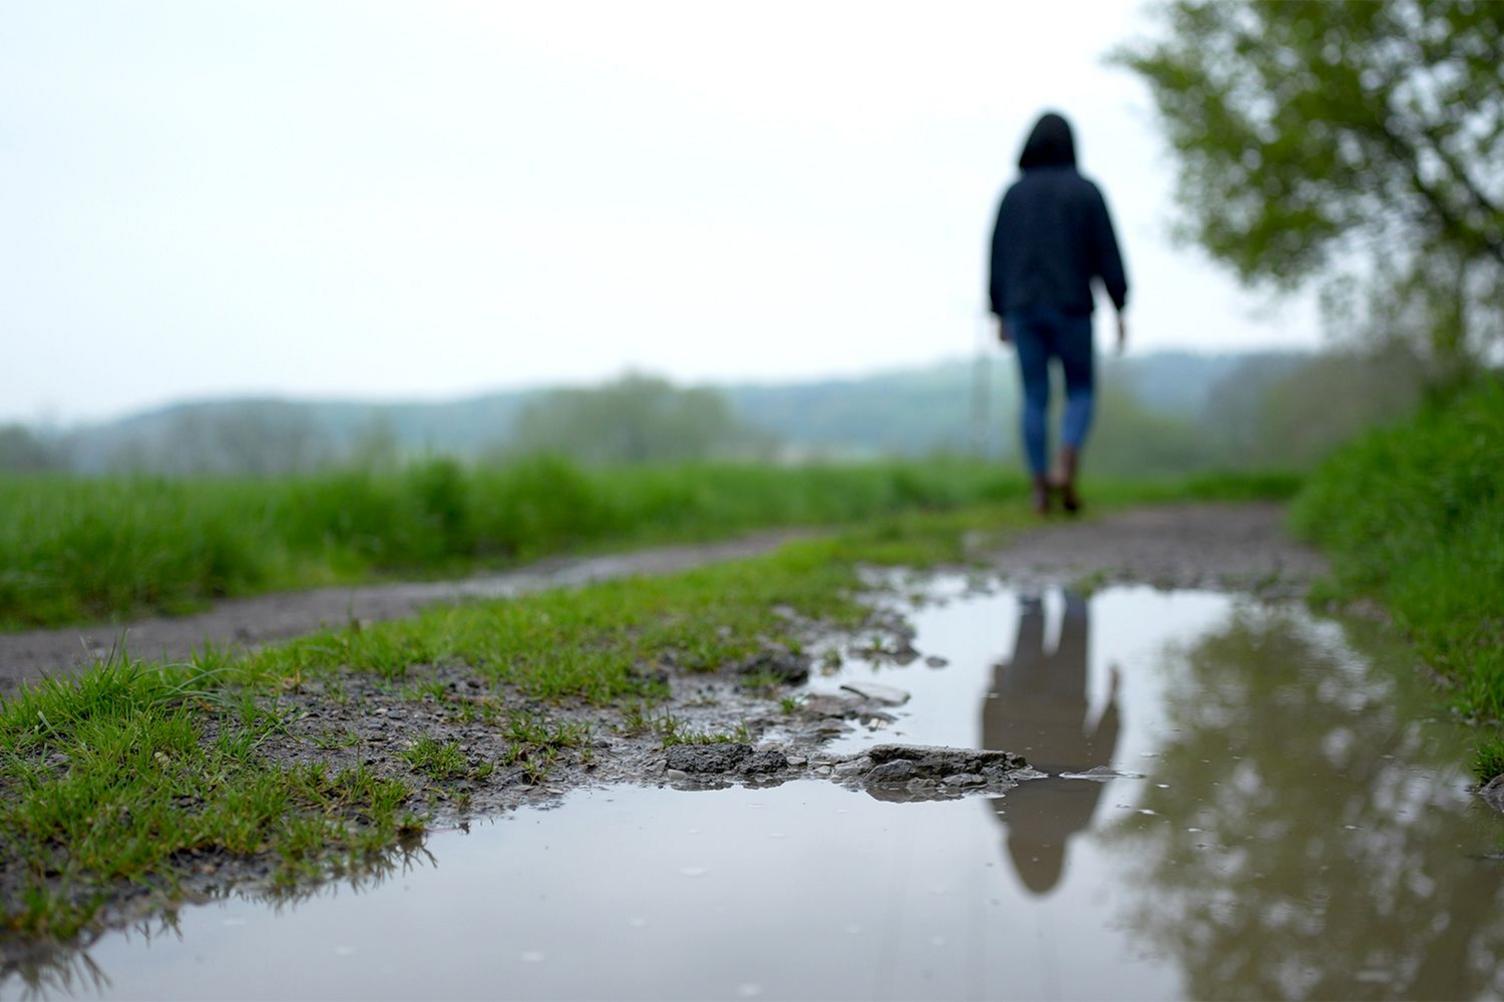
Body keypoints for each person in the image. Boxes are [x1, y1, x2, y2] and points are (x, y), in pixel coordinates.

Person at [988, 111, 1129, 515]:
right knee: (1080, 389)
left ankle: (1038, 487)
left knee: (1034, 396)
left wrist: (999, 310)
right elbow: (1107, 249)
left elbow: (997, 255)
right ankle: (1065, 461)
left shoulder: (1013, 195)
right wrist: (1119, 304)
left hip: (1024, 307)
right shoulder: (1085, 192)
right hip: (1072, 306)